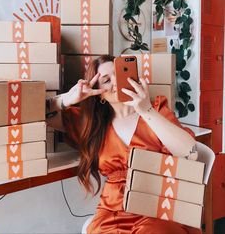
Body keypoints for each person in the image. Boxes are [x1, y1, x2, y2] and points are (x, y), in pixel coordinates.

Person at [46, 55, 200, 234]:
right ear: (99, 93)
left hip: (158, 206)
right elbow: (35, 113)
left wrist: (145, 109)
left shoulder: (155, 109)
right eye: (106, 80)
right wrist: (67, 99)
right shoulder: (90, 123)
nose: (116, 82)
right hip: (113, 210)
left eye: (119, 74)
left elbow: (191, 152)